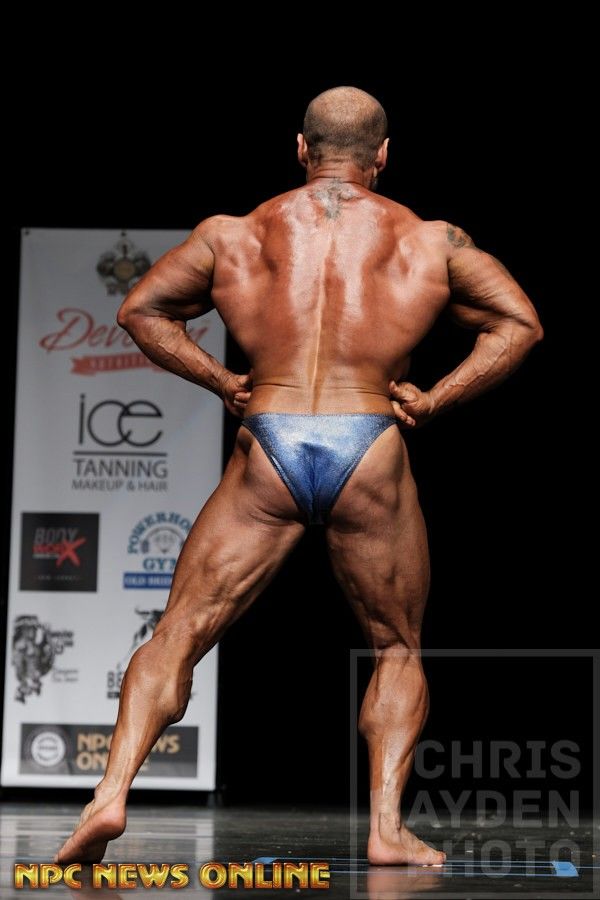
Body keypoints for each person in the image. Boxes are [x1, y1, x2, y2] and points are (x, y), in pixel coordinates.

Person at [55, 86, 542, 866]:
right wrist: (435, 399)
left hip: (270, 440)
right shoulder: (430, 239)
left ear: (301, 148)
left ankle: (108, 796)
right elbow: (520, 323)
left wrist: (223, 381)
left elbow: (141, 311)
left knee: (178, 632)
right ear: (384, 155)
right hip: (368, 442)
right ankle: (386, 829)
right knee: (396, 647)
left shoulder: (234, 232)